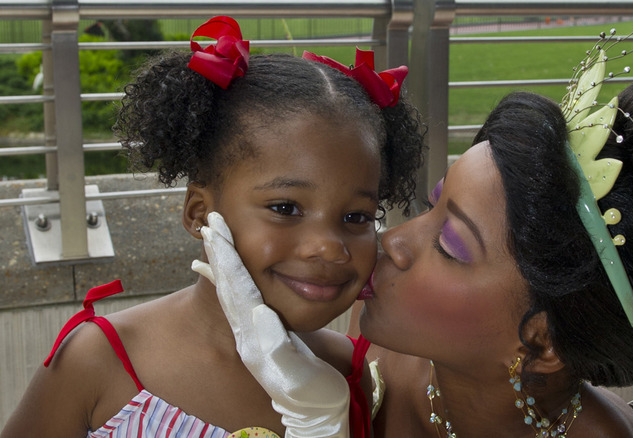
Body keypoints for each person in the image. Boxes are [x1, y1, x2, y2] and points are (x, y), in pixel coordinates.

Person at [1, 16, 423, 438]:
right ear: (200, 213)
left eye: (357, 217)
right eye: (285, 207)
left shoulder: (345, 374)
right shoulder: (98, 363)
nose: (329, 247)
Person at [351, 71, 633, 436]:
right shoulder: (359, 343)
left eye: (448, 246)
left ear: (542, 342)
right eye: (431, 204)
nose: (392, 239)